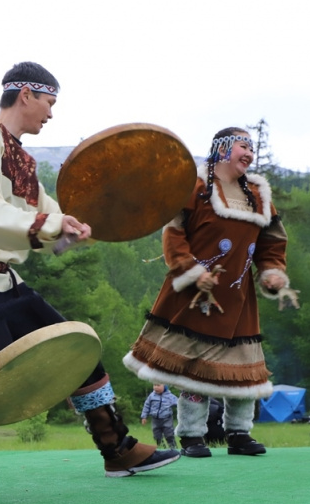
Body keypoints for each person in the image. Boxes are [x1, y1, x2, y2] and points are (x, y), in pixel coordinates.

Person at [0, 61, 178, 477]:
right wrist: (54, 224)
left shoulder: (22, 160)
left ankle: (117, 449)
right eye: (49, 101)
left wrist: (78, 230)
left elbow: (49, 225)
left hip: (4, 278)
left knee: (75, 350)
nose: (51, 112)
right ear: (25, 94)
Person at [123, 126, 292, 458]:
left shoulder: (259, 195)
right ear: (223, 148)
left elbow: (272, 242)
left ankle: (240, 434)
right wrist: (191, 270)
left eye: (252, 148)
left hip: (239, 299)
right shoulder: (195, 188)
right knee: (194, 369)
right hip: (196, 297)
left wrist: (272, 271)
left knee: (245, 373)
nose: (249, 153)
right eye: (244, 146)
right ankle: (190, 436)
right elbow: (173, 233)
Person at [140, 384, 178, 450]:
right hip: (155, 419)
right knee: (157, 436)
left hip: (167, 419)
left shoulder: (170, 396)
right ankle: (161, 448)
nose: (156, 387)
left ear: (165, 386)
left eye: (158, 385)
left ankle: (173, 448)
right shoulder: (151, 396)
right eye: (154, 385)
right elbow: (146, 406)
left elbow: (179, 403)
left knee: (169, 435)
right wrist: (144, 416)